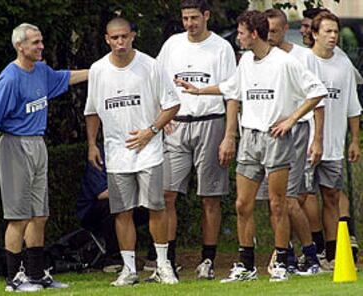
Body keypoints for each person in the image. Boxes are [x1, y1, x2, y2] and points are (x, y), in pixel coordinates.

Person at [175, 10, 327, 282]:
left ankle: (281, 261)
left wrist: (291, 120)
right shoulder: (245, 61)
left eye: (242, 33)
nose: (239, 38)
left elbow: (317, 91)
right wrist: (198, 91)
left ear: (254, 34)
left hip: (276, 139)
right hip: (249, 138)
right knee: (242, 204)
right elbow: (231, 88)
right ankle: (246, 265)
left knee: (277, 203)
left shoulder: (284, 62)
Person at [0, 23, 89, 292]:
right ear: (20, 46)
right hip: (15, 146)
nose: (41, 46)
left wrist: (99, 71)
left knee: (39, 215)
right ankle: (14, 279)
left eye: (41, 41)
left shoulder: (40, 71)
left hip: (38, 144)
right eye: (35, 43)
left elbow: (65, 77)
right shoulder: (10, 79)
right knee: (18, 216)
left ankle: (36, 275)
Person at [85, 17, 180, 286]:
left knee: (155, 207)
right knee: (122, 211)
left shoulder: (150, 66)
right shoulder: (98, 70)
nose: (120, 42)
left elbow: (172, 104)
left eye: (124, 36)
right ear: (107, 39)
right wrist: (92, 144)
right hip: (116, 154)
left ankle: (162, 265)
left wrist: (150, 131)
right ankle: (129, 269)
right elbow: (91, 111)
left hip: (149, 151)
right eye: (114, 38)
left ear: (133, 36)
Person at [157, 0, 237, 279]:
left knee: (210, 198)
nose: (189, 23)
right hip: (176, 125)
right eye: (185, 18)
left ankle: (208, 260)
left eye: (194, 17)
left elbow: (231, 94)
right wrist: (161, 118)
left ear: (206, 16)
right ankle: (167, 261)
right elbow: (157, 83)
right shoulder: (172, 45)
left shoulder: (221, 48)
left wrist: (229, 135)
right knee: (167, 194)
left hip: (210, 123)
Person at [255, 8, 324, 275]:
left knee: (289, 199)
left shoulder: (302, 57)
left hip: (295, 133)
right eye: (265, 31)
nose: (268, 36)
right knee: (276, 201)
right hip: (268, 135)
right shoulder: (258, 59)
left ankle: (311, 255)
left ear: (286, 29)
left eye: (273, 31)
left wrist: (317, 139)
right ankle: (288, 255)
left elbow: (318, 100)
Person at [300, 7, 361, 263]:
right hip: (304, 143)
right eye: (327, 31)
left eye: (335, 31)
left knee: (332, 196)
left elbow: (352, 105)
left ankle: (334, 252)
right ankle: (314, 248)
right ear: (315, 34)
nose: (333, 36)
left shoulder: (344, 63)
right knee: (304, 196)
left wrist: (355, 139)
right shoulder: (303, 61)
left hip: (334, 144)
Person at [76, 144, 157, 273]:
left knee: (157, 204)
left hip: (129, 200)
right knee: (114, 206)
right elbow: (102, 193)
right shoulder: (100, 154)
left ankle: (155, 258)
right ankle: (114, 258)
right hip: (93, 211)